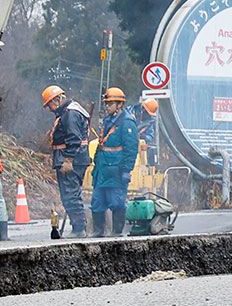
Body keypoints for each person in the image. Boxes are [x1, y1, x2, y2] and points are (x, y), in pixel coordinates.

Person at [44, 85, 91, 236]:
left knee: (71, 194)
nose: (50, 109)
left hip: (72, 160)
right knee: (69, 194)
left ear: (57, 100)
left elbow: (74, 139)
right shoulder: (66, 112)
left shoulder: (70, 114)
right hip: (72, 158)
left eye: (50, 104)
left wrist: (68, 160)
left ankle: (79, 229)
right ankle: (77, 226)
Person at [91, 87, 138, 236]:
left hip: (116, 171)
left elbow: (131, 150)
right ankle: (98, 232)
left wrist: (126, 170)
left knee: (116, 202)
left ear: (119, 105)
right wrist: (96, 163)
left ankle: (116, 232)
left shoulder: (127, 123)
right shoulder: (107, 121)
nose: (107, 106)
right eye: (106, 104)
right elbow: (101, 145)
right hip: (102, 170)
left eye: (110, 103)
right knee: (97, 202)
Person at [137, 97, 160, 169]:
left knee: (150, 150)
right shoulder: (131, 115)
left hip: (139, 151)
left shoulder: (149, 122)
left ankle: (149, 168)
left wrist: (143, 137)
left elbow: (150, 136)